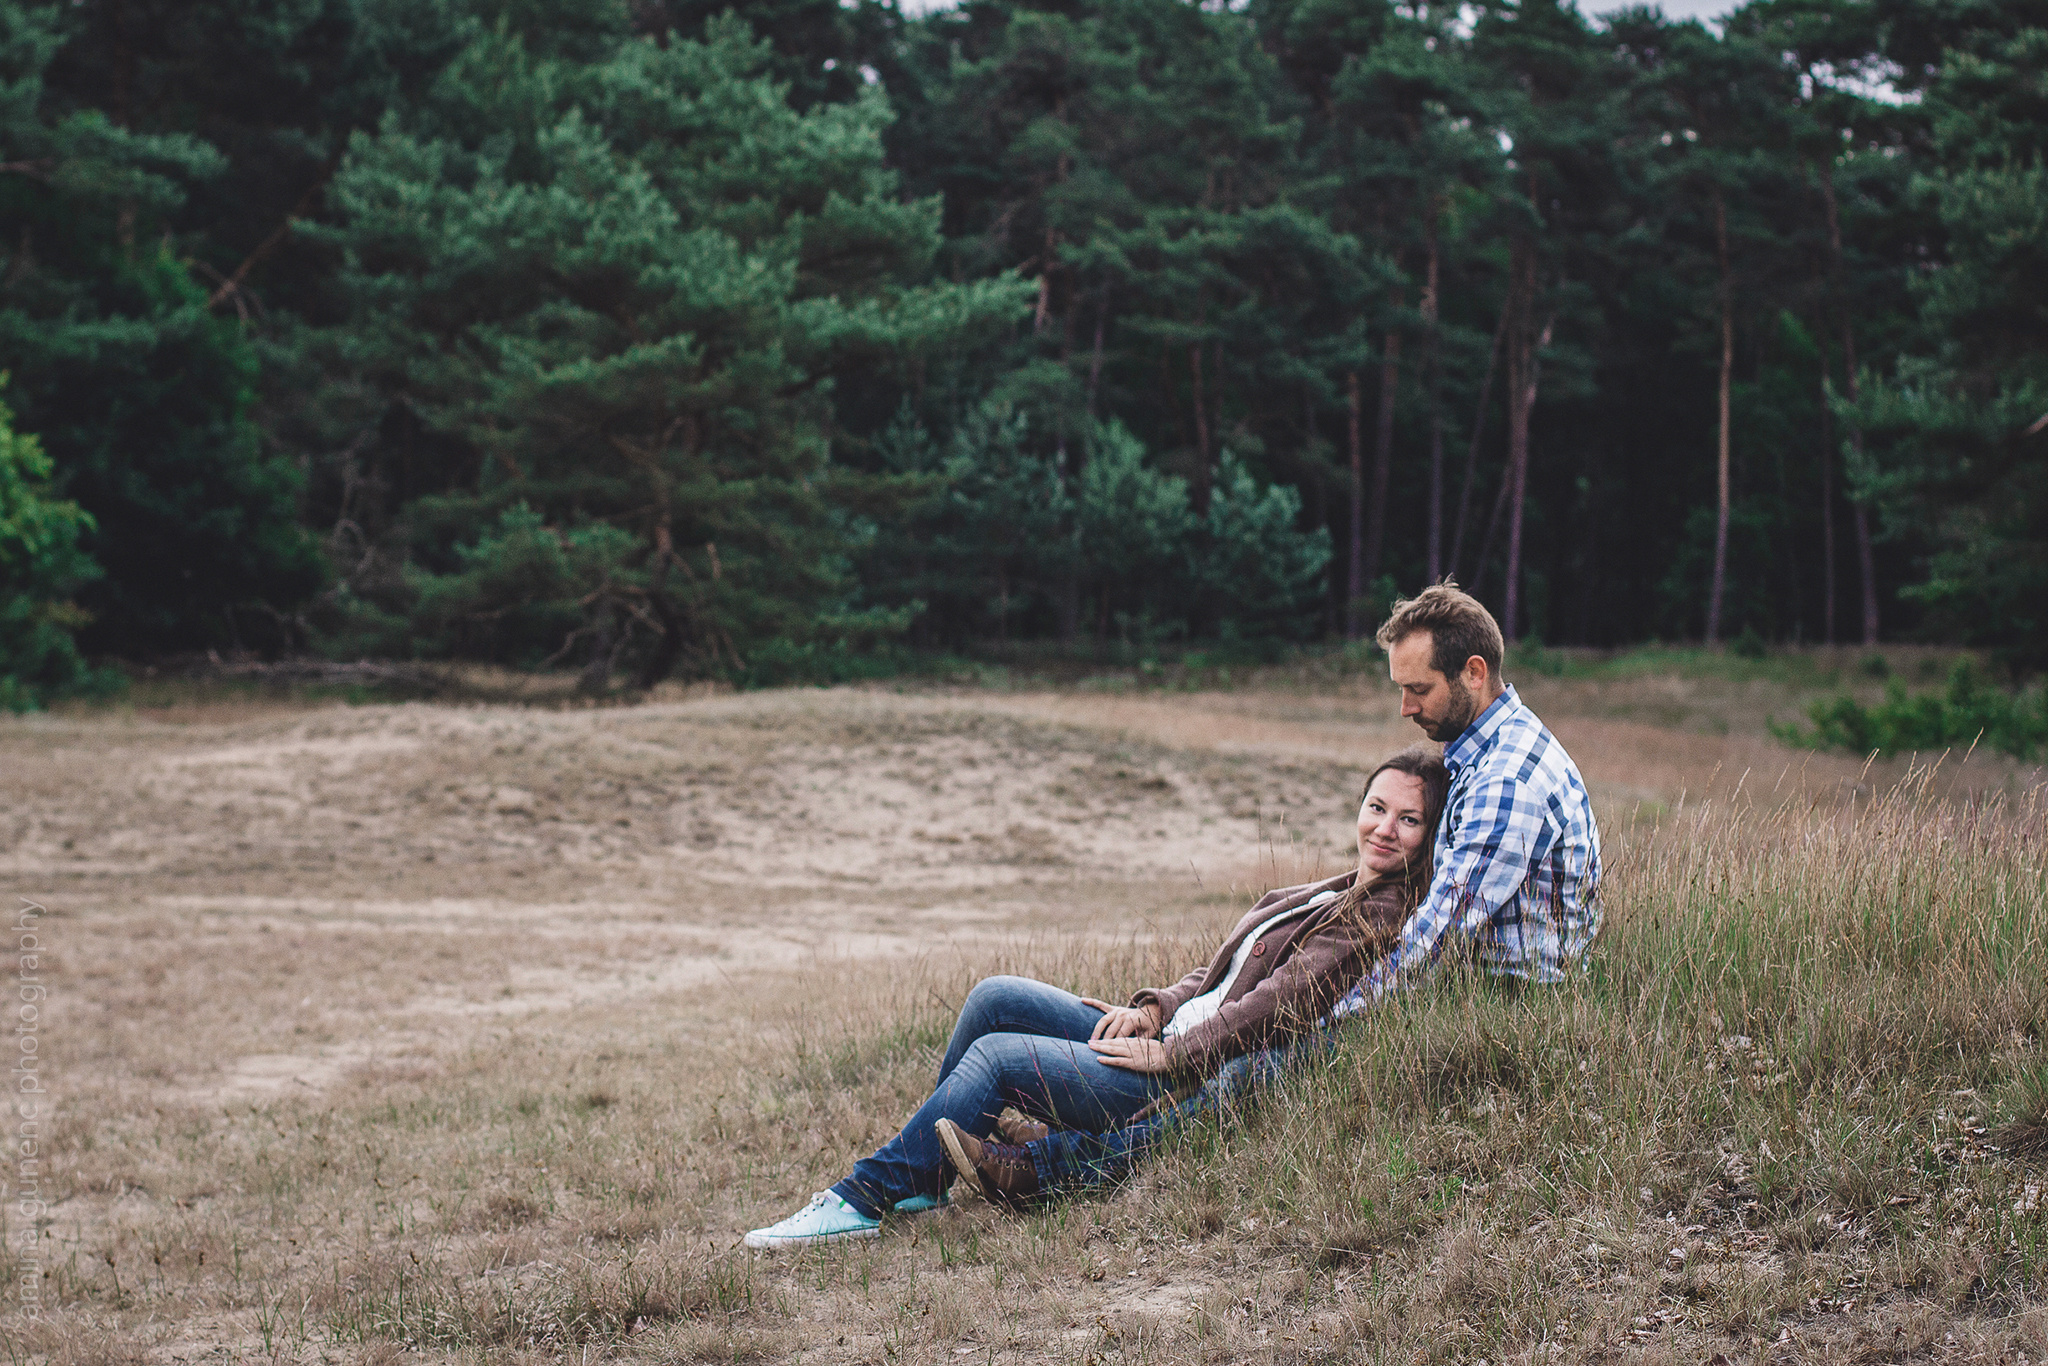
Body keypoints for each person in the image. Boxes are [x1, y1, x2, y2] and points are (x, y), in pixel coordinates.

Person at [990, 581, 1603, 1198]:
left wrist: (1328, 1013)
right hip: (1473, 993)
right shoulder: (1493, 751)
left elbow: (1438, 934)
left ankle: (1060, 1169)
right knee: (1261, 1047)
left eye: (1418, 689)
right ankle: (1054, 1150)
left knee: (1260, 1064)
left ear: (1473, 672)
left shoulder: (1505, 778)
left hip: (1507, 1006)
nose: (1406, 709)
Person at [741, 746, 1450, 1248]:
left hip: (1178, 1072)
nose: (1384, 828)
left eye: (1408, 820)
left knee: (994, 1060)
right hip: (1169, 1035)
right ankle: (926, 1178)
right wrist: (1153, 1006)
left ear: (1427, 838)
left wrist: (1170, 1051)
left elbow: (1272, 1008)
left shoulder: (1374, 918)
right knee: (995, 995)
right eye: (1376, 807)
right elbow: (1216, 980)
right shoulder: (1327, 890)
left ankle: (861, 1198)